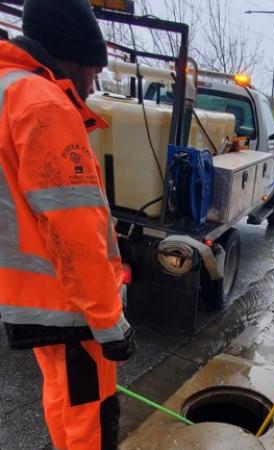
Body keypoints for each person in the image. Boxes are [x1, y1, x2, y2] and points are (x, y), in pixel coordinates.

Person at [0, 1, 135, 449]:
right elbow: (73, 229)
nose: (91, 86)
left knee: (62, 399)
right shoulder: (44, 104)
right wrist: (108, 320)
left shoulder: (7, 89)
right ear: (71, 58)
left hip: (30, 296)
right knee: (92, 421)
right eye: (93, 73)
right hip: (70, 304)